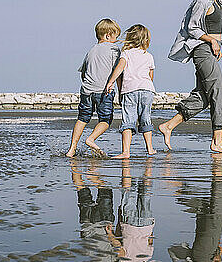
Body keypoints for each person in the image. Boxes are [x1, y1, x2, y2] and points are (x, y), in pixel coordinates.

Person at [159, 0, 222, 153]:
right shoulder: (201, 1)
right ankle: (217, 142)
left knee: (204, 96)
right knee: (218, 90)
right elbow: (193, 28)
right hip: (202, 49)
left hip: (211, 50)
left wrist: (217, 44)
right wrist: (211, 41)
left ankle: (168, 126)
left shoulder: (218, 0)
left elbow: (219, 28)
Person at [66, 18, 121, 157]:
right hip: (103, 90)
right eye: (115, 37)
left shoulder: (91, 51)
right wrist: (120, 92)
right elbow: (118, 71)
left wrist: (87, 85)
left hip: (86, 90)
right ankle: (91, 139)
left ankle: (72, 149)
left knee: (83, 118)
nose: (116, 40)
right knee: (105, 120)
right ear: (108, 35)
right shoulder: (114, 50)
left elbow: (83, 73)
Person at [106, 24, 157, 158]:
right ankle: (150, 148)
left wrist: (111, 82)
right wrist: (147, 86)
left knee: (128, 119)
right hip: (147, 89)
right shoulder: (149, 56)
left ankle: (126, 151)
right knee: (146, 118)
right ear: (146, 40)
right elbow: (150, 75)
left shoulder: (126, 53)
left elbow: (120, 68)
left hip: (130, 90)